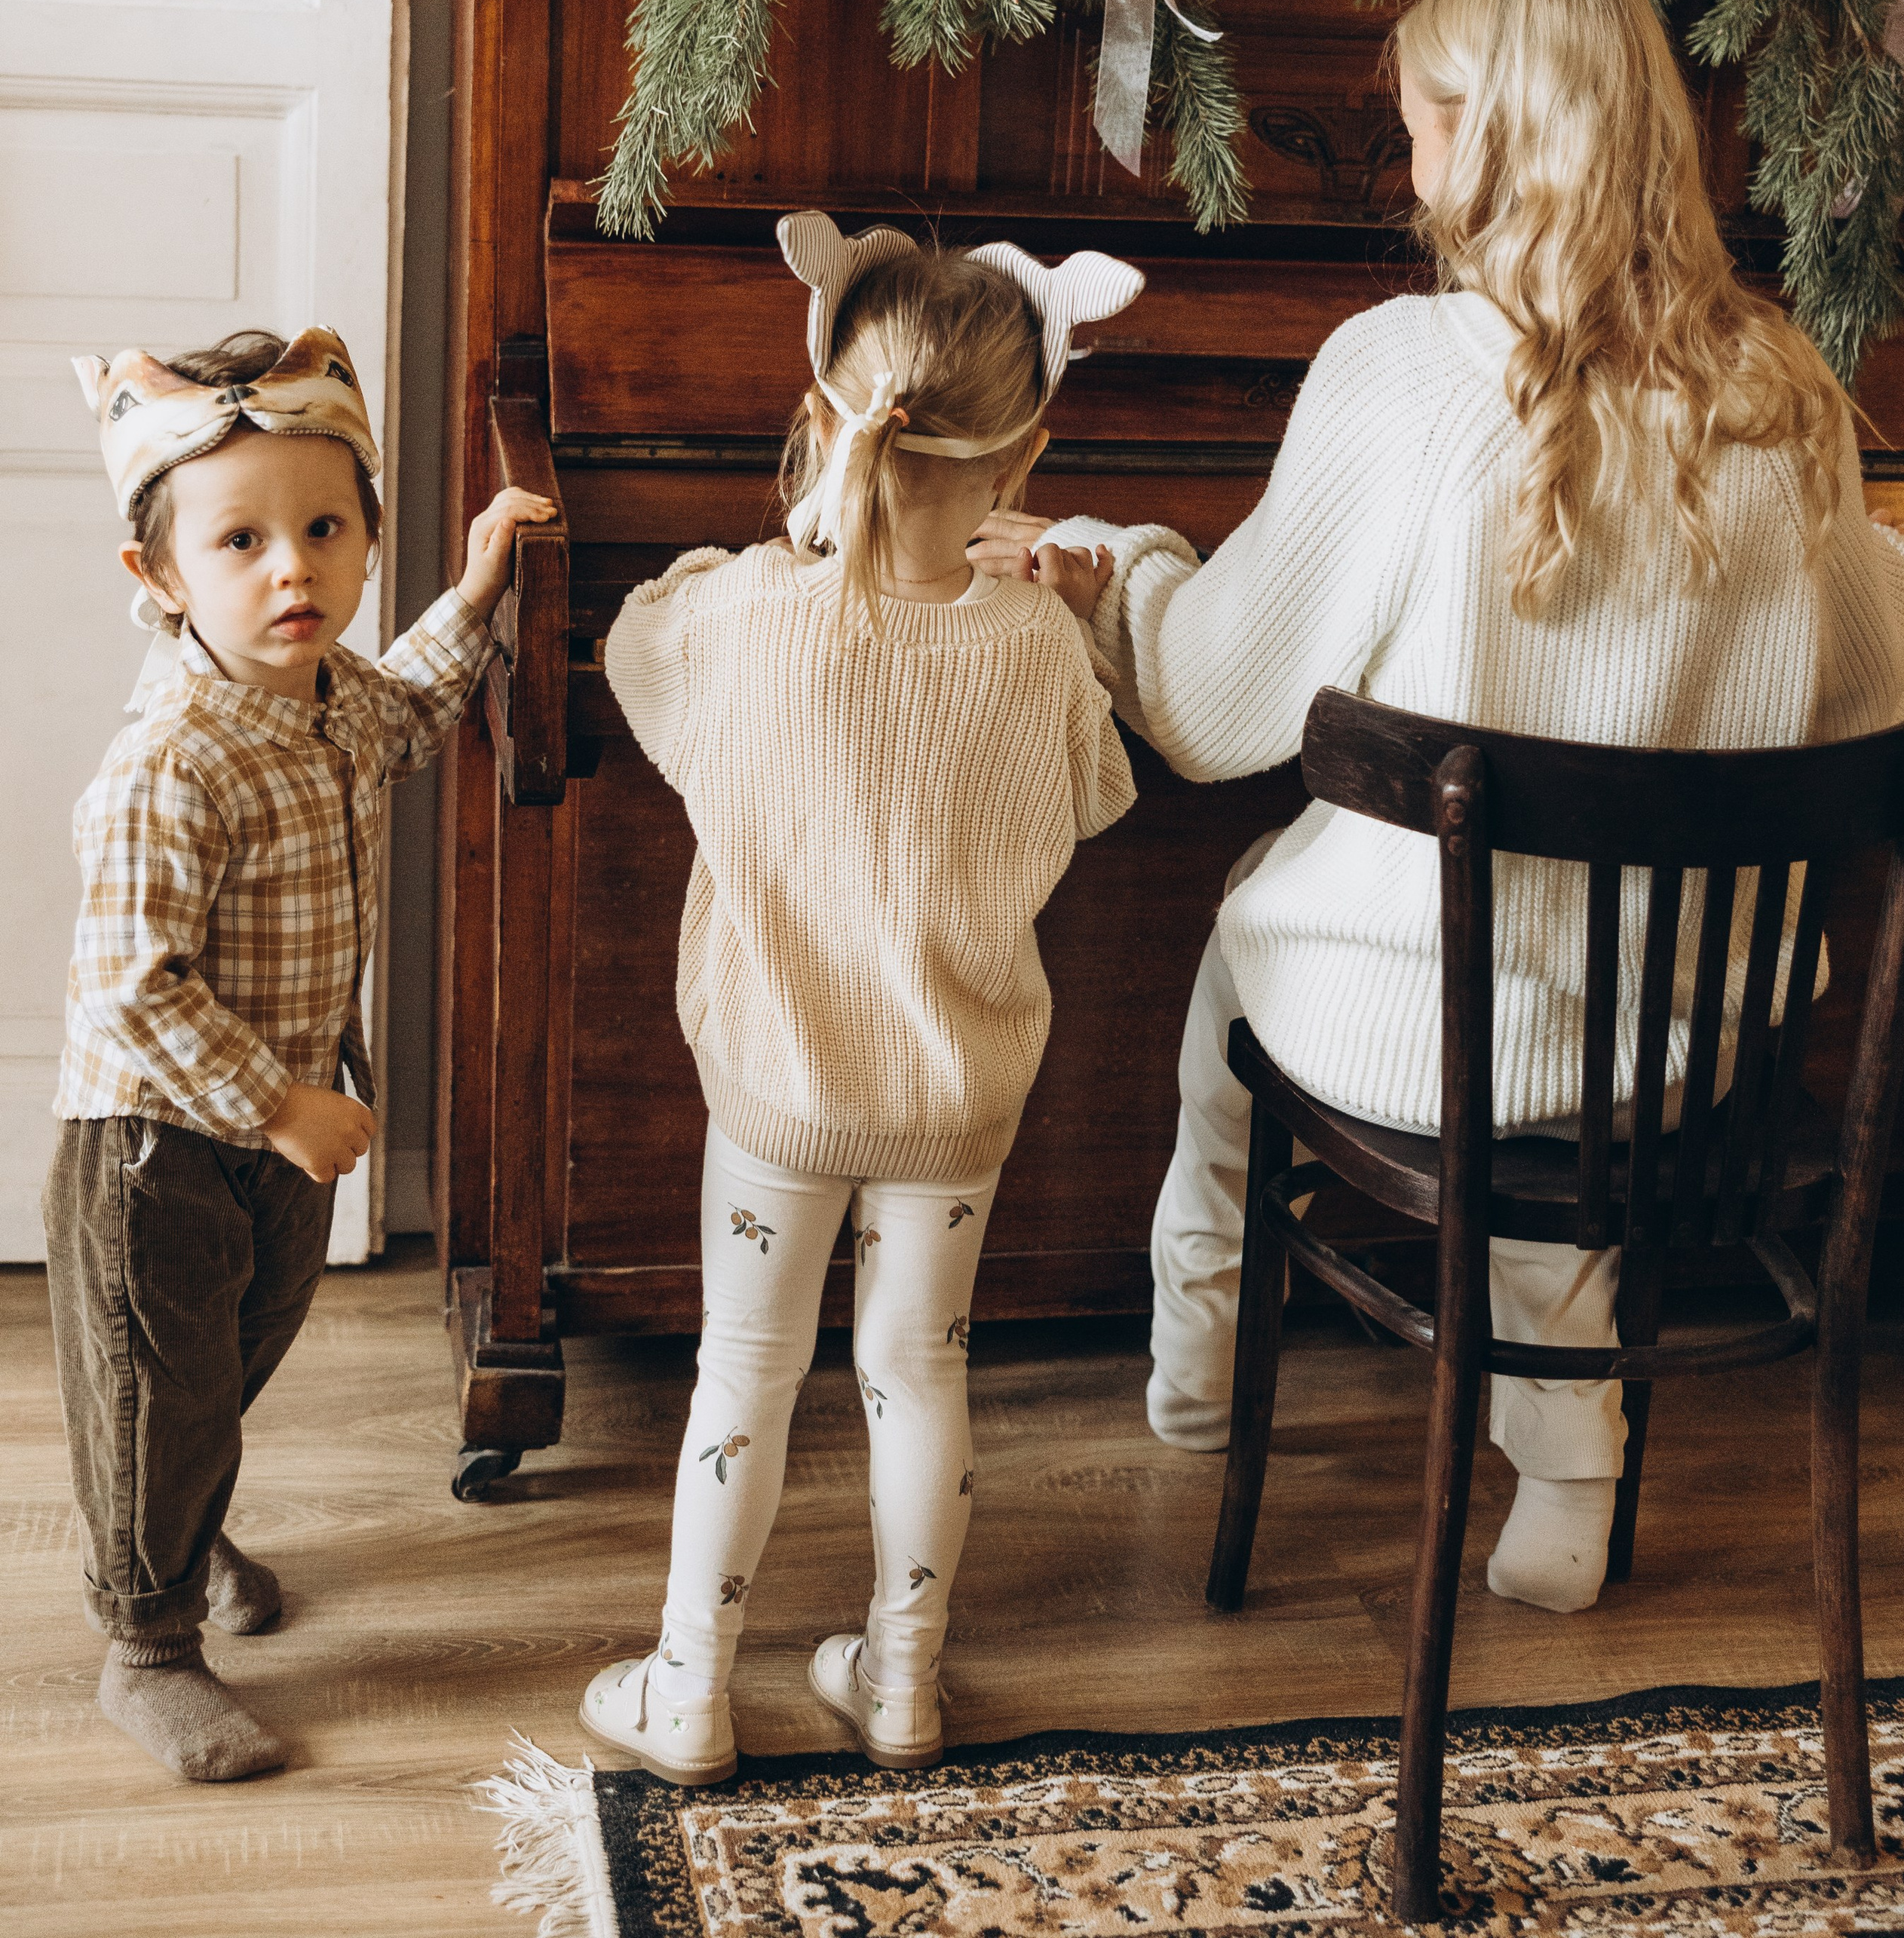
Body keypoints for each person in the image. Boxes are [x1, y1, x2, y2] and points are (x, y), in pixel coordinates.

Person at [970, 0, 1904, 1618]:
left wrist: (1117, 559)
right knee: (1556, 1007)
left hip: (1414, 1028)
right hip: (1690, 1044)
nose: (1405, 152)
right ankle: (1564, 1470)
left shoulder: (1401, 376)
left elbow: (1207, 709)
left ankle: (1194, 1371)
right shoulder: (1783, 386)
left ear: (1481, 131)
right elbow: (1872, 675)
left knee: (1243, 968)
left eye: (1416, 114)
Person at [578, 213, 1138, 1785]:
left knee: (743, 1370)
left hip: (781, 1089)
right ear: (1028, 444)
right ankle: (900, 1683)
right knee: (919, 1371)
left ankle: (688, 1686)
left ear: (825, 412)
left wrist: (767, 547)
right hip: (952, 1102)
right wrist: (1071, 611)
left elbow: (637, 654)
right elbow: (1091, 801)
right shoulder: (1032, 643)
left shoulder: (740, 616)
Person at [51, 327, 553, 1782]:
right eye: (244, 540)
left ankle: (188, 1530)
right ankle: (146, 1648)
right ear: (159, 579)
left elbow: (413, 707)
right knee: (156, 1386)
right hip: (159, 1151)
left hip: (284, 1134)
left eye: (327, 530)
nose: (295, 570)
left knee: (227, 1367)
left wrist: (474, 587)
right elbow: (129, 984)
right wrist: (276, 1103)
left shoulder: (327, 699)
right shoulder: (175, 758)